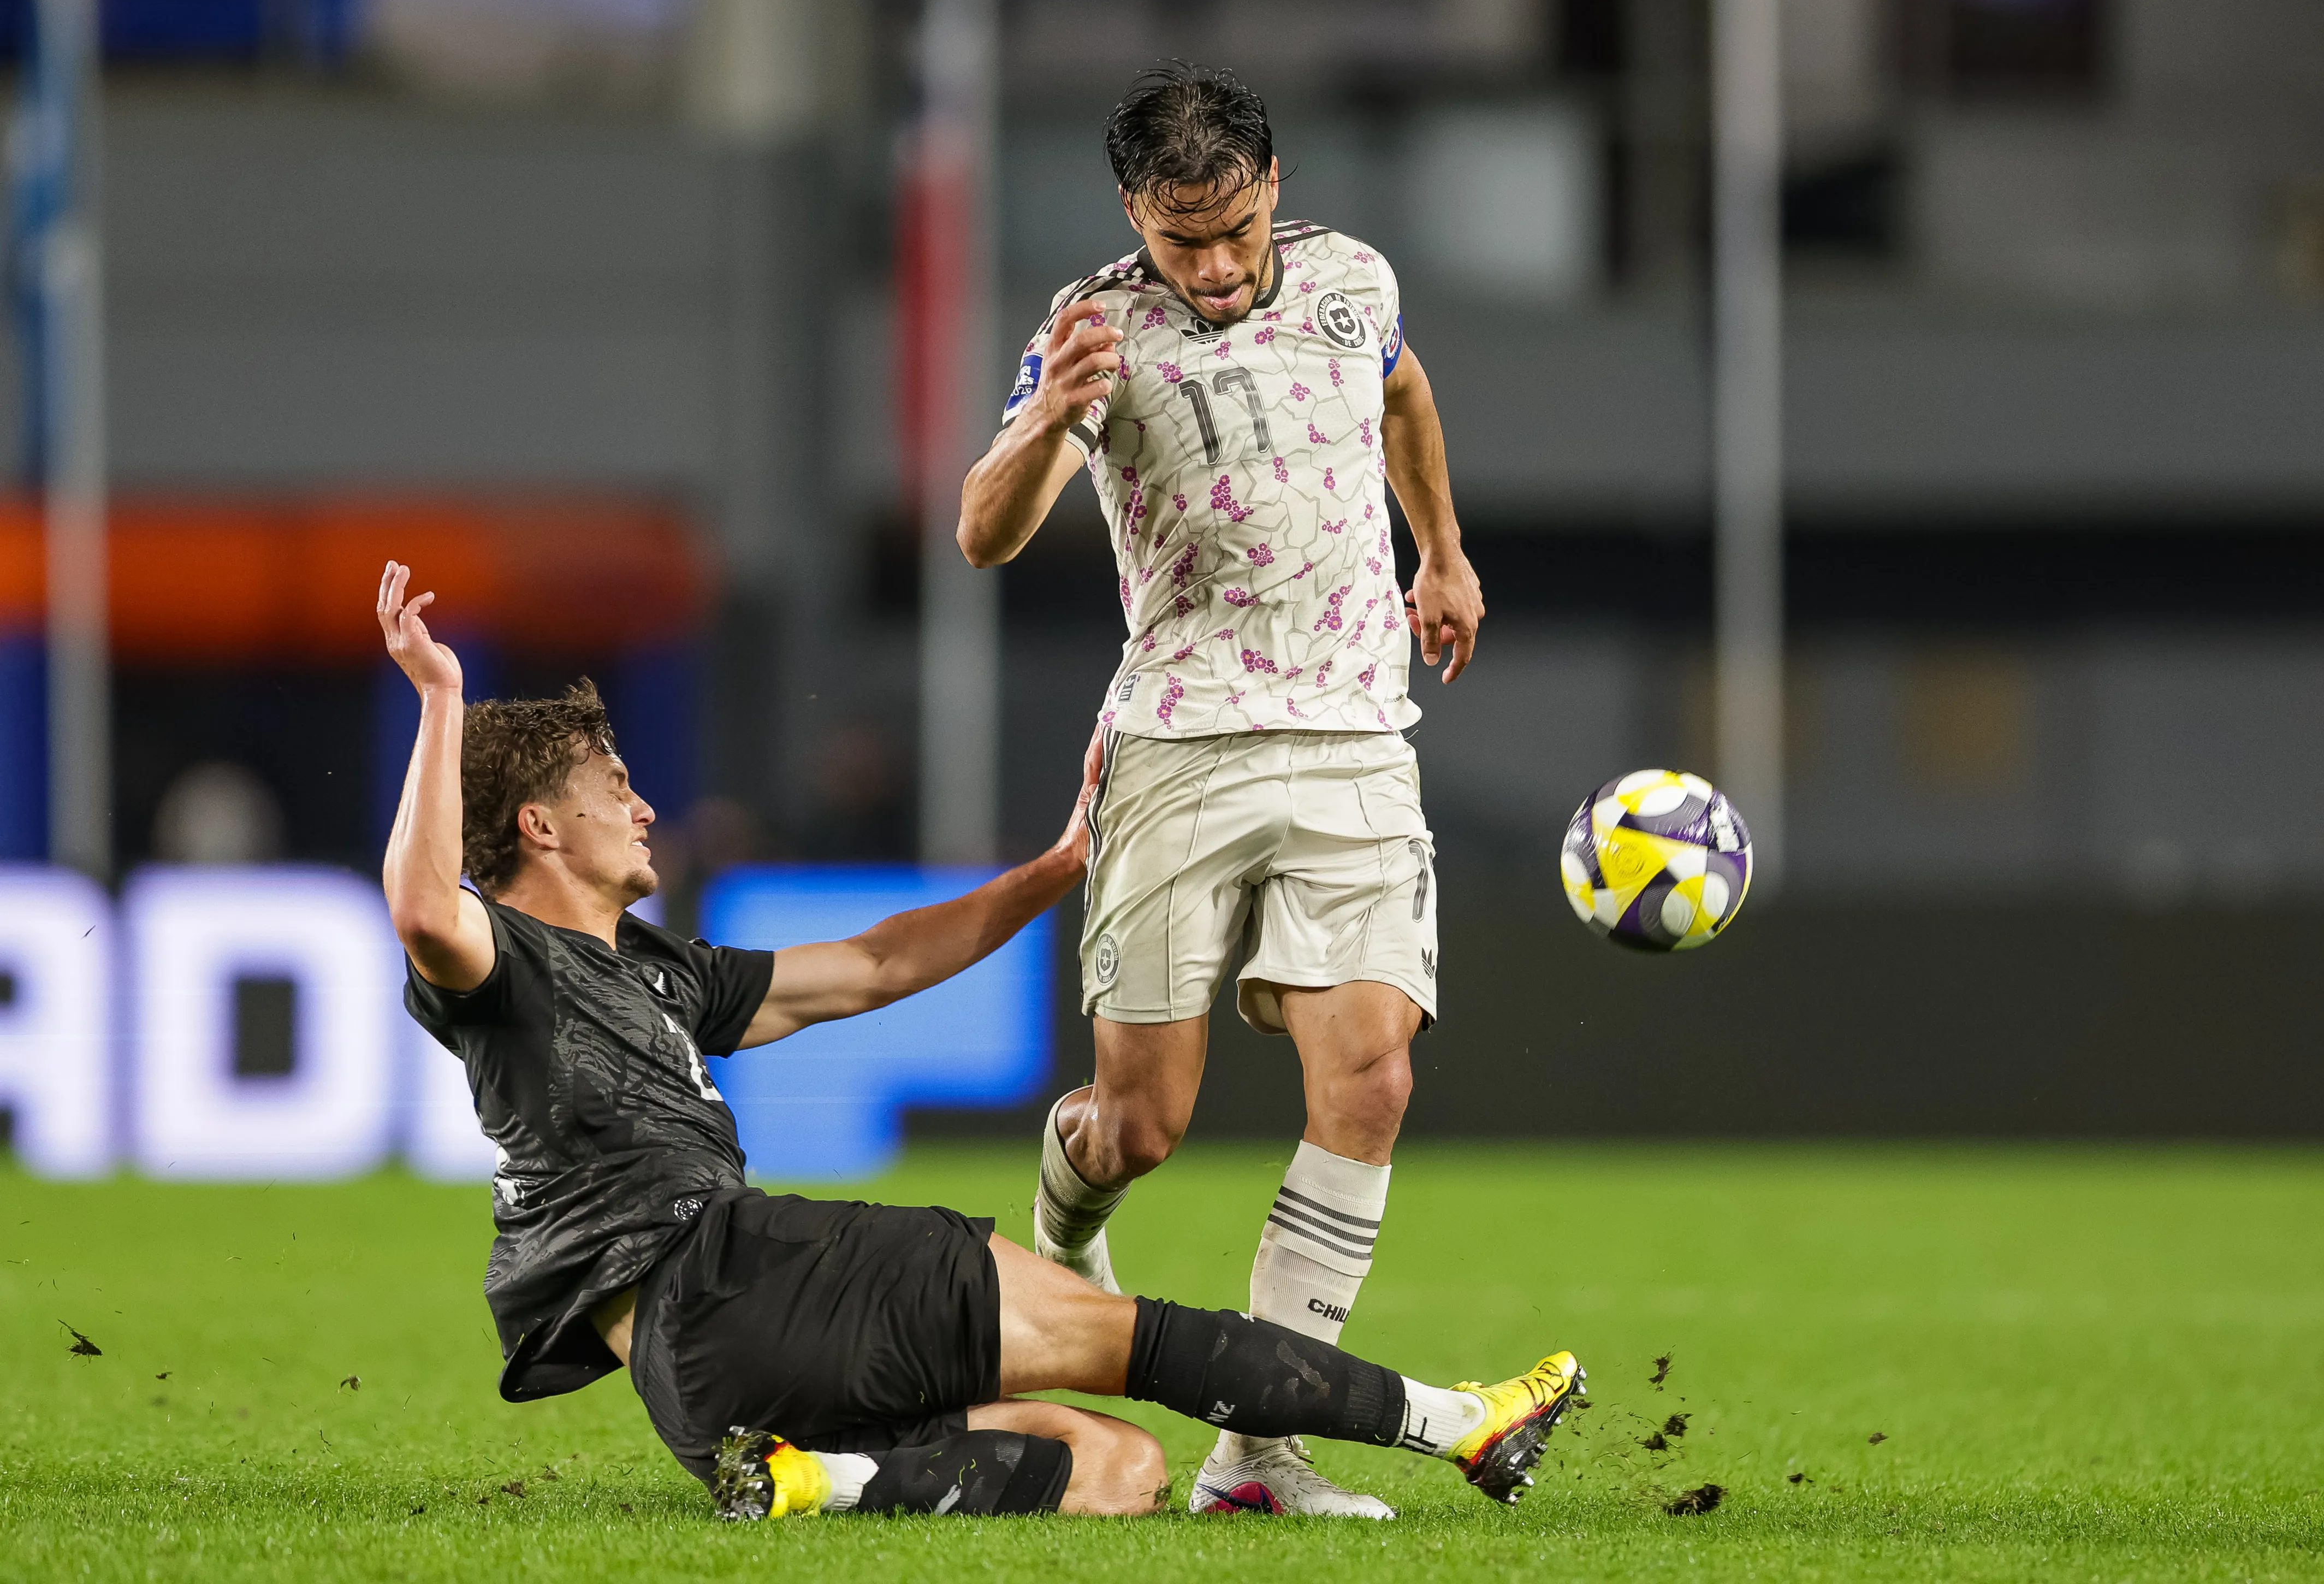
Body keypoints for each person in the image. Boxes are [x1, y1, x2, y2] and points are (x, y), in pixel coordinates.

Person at [376, 563, 1582, 1520]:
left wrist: (1053, 871)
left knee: (1115, 1472)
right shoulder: (506, 963)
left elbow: (877, 965)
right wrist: (441, 701)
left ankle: (829, 1481)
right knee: (1131, 1339)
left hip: (703, 1385)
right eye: (613, 787)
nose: (644, 805)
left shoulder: (657, 968)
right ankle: (1456, 1421)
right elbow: (429, 909)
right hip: (743, 1269)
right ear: (539, 825)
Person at [957, 64, 1486, 1516]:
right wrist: (1034, 423)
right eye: (1181, 239)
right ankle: (1064, 1229)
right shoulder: (1092, 331)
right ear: (1133, 213)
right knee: (1140, 1128)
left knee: (1370, 1078)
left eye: (1236, 229)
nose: (1213, 264)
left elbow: (1400, 388)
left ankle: (1256, 1454)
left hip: (1353, 737)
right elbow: (980, 538)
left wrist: (1437, 550)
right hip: (1182, 744)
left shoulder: (1349, 281)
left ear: (1274, 187)